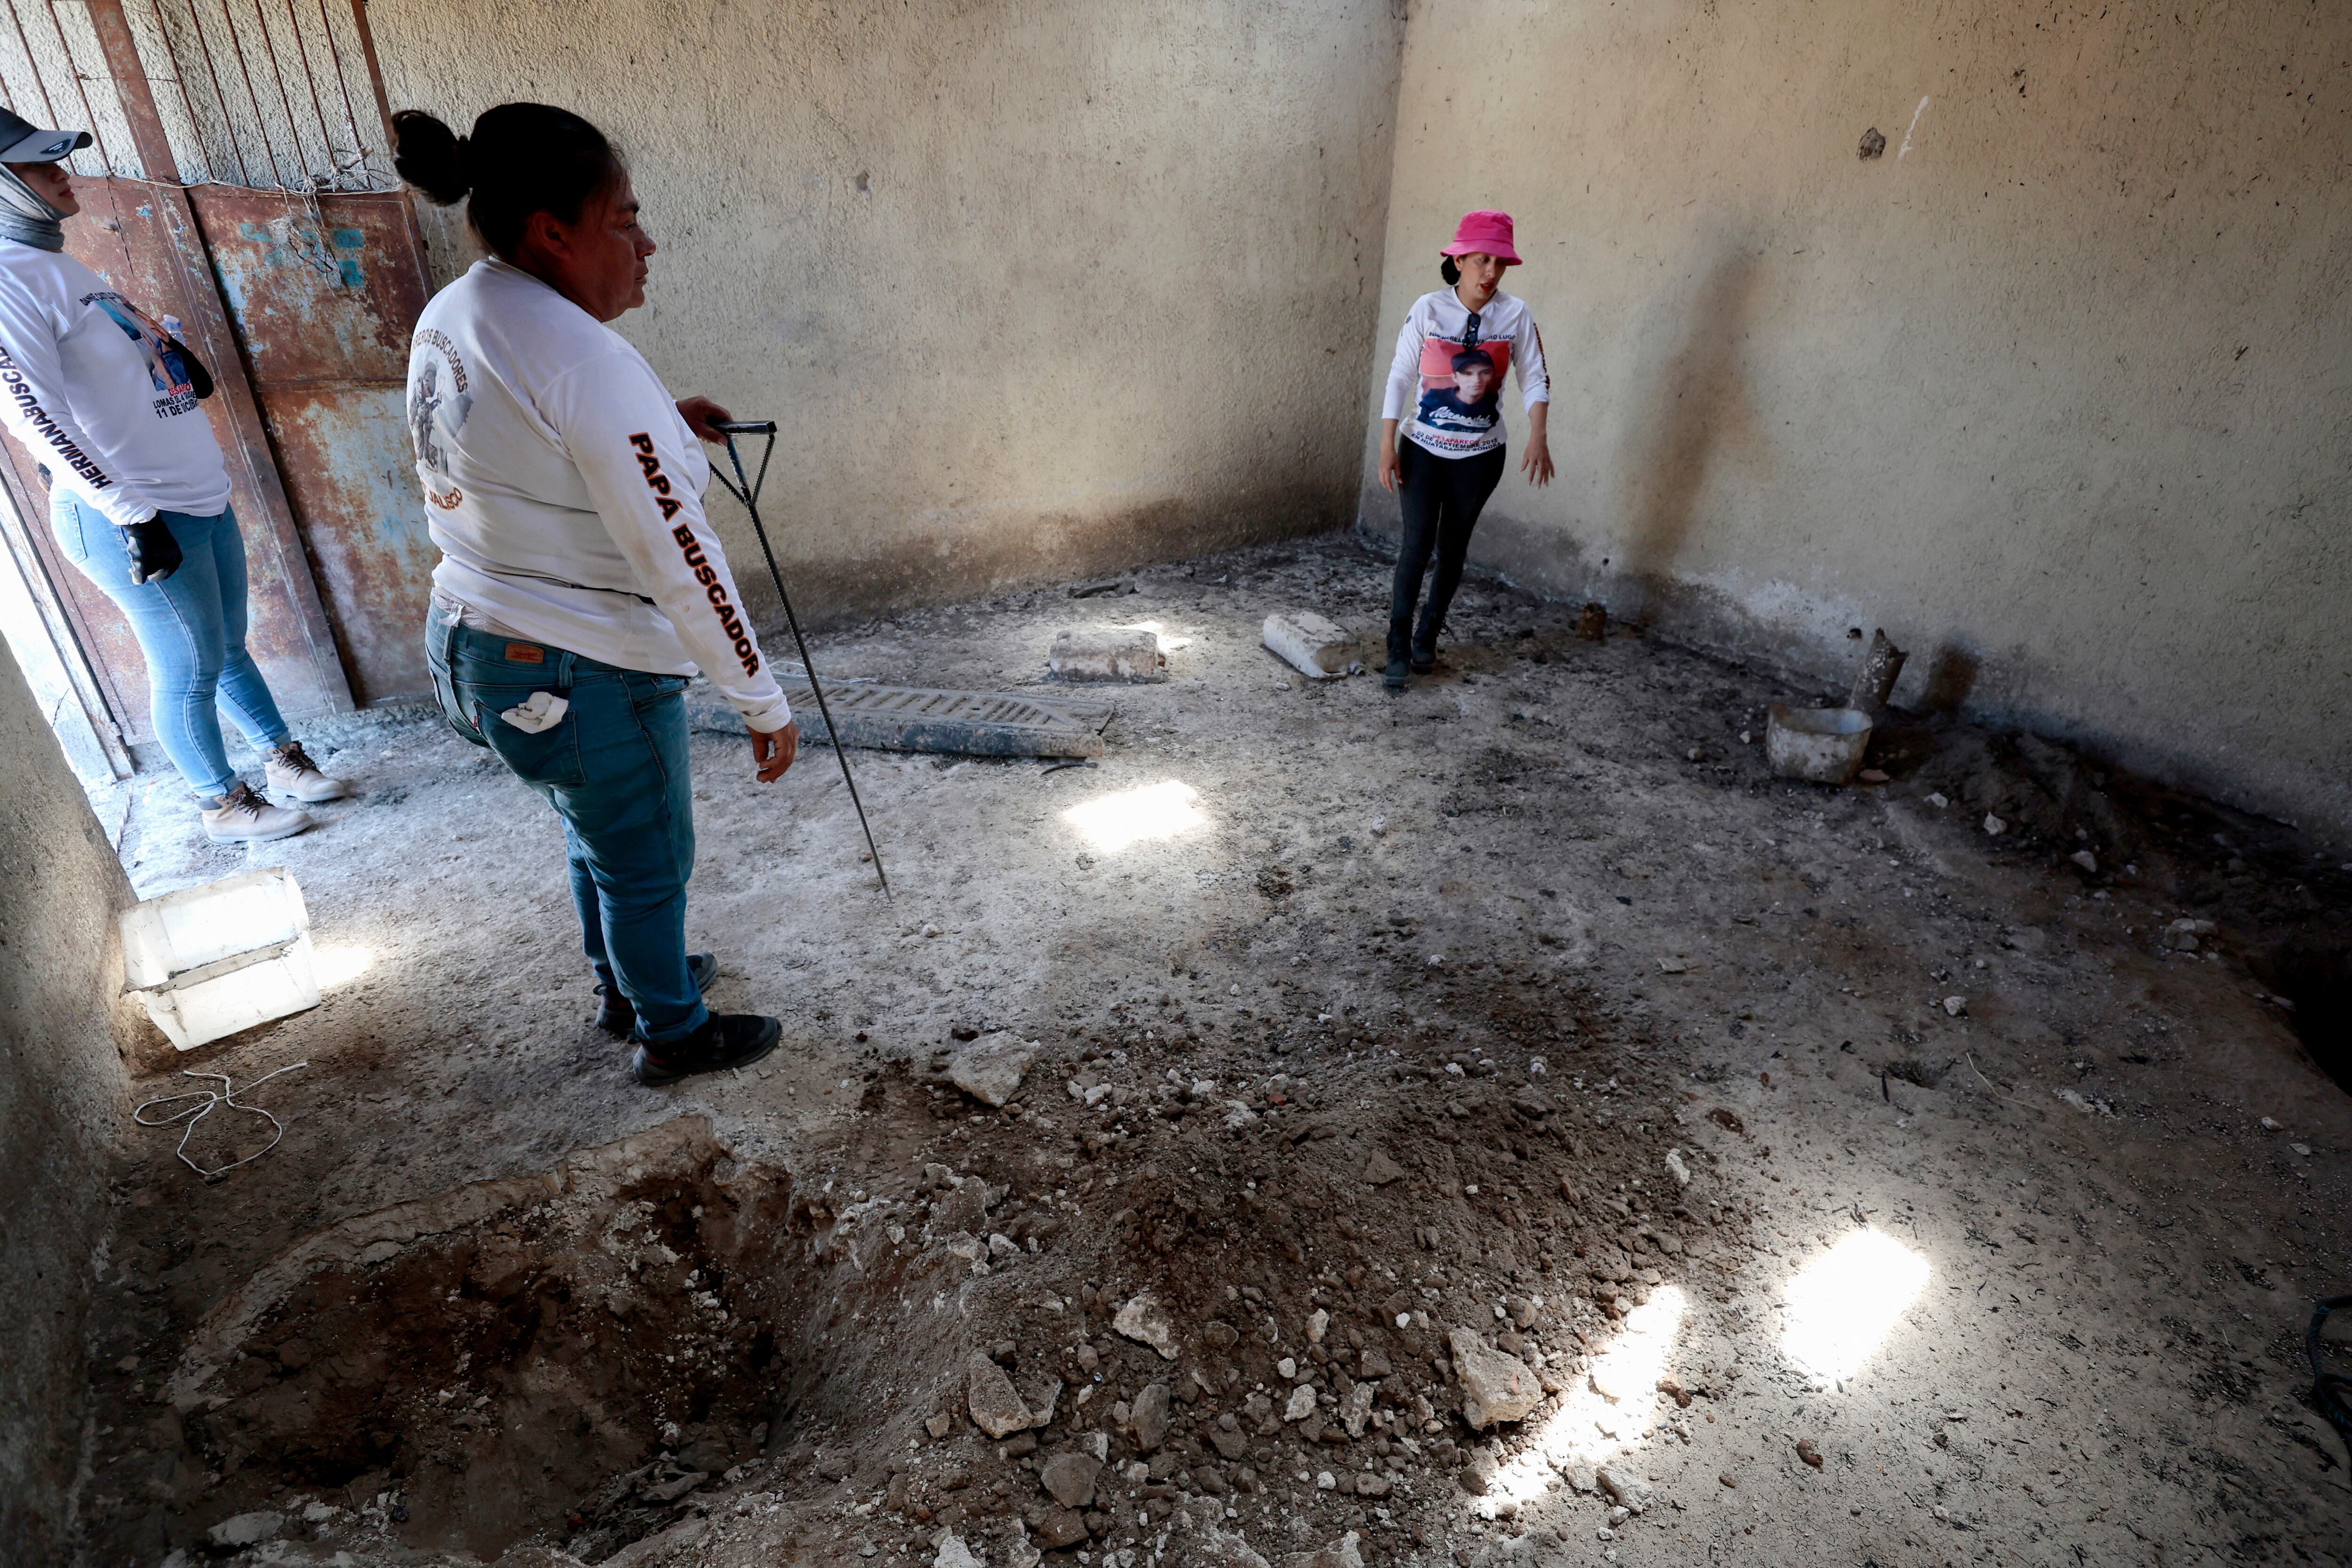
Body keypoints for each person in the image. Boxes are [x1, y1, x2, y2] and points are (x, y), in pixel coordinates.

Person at [393, 103, 800, 1087]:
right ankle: (672, 1029)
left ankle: (626, 985)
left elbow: (526, 433)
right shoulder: (584, 358)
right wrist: (759, 696)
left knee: (599, 833)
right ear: (553, 232)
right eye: (625, 221)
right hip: (579, 663)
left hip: (477, 645)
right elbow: (680, 557)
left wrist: (658, 418)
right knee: (648, 853)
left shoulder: (461, 307)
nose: (646, 244)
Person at [0, 107, 348, 839]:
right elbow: (34, 416)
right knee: (189, 666)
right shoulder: (7, 280)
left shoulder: (58, 265)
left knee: (225, 646)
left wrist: (164, 356)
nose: (61, 174)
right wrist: (130, 513)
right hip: (132, 513)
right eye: (38, 166)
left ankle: (281, 759)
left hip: (194, 497)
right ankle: (221, 803)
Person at [1375, 208, 1554, 690]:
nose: (1491, 272)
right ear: (1458, 261)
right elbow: (1400, 374)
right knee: (1416, 546)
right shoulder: (1428, 309)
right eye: (1481, 260)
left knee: (1453, 548)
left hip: (1480, 457)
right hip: (1421, 450)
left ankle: (1427, 637)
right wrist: (1387, 443)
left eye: (1500, 262)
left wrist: (1538, 434)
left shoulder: (1515, 315)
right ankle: (1397, 641)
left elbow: (1534, 376)